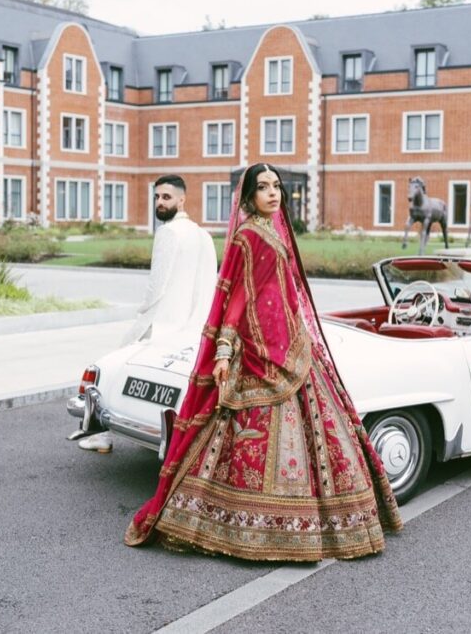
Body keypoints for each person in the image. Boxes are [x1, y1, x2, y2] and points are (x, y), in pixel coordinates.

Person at [124, 163, 402, 561]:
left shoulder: (275, 231)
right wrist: (224, 350)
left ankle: (332, 521)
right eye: (263, 187)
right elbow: (235, 297)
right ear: (249, 197)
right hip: (257, 351)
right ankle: (238, 524)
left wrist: (300, 335)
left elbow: (285, 291)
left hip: (293, 346)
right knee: (238, 437)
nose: (273, 193)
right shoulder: (247, 236)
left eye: (277, 186)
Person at [79, 175, 218, 454]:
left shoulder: (168, 232)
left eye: (166, 197)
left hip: (161, 322)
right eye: (157, 197)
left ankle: (102, 435)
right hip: (194, 327)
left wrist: (142, 314)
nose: (160, 202)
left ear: (182, 199)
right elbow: (210, 283)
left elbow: (157, 285)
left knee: (111, 370)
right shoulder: (203, 235)